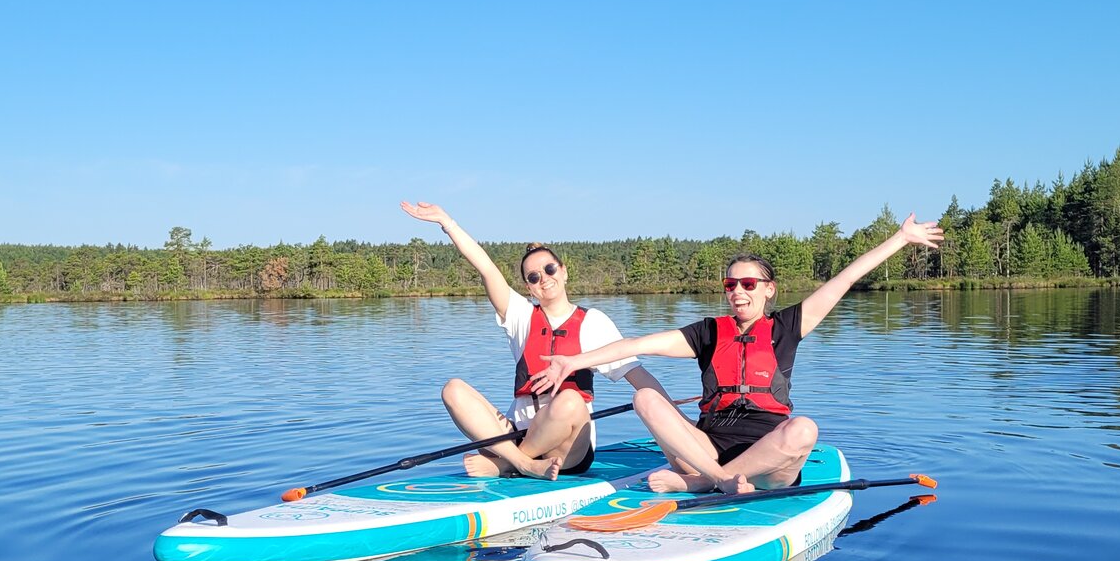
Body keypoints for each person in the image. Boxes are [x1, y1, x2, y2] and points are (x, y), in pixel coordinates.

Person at [530, 212, 944, 495]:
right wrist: (572, 361)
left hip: (769, 465)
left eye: (748, 283)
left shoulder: (785, 328)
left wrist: (900, 238)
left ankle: (709, 482)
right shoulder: (708, 332)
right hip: (705, 448)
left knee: (805, 430)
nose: (739, 292)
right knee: (644, 398)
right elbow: (636, 345)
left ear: (769, 289)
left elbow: (846, 277)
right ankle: (714, 477)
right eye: (731, 285)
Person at [398, 200, 666, 479]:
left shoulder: (594, 322)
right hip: (517, 434)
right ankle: (522, 463)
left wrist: (679, 423)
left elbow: (638, 376)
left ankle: (507, 464)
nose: (544, 279)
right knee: (453, 389)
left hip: (568, 448)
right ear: (528, 287)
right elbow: (487, 268)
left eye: (549, 270)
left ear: (563, 271)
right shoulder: (520, 316)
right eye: (534, 276)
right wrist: (447, 223)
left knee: (571, 400)